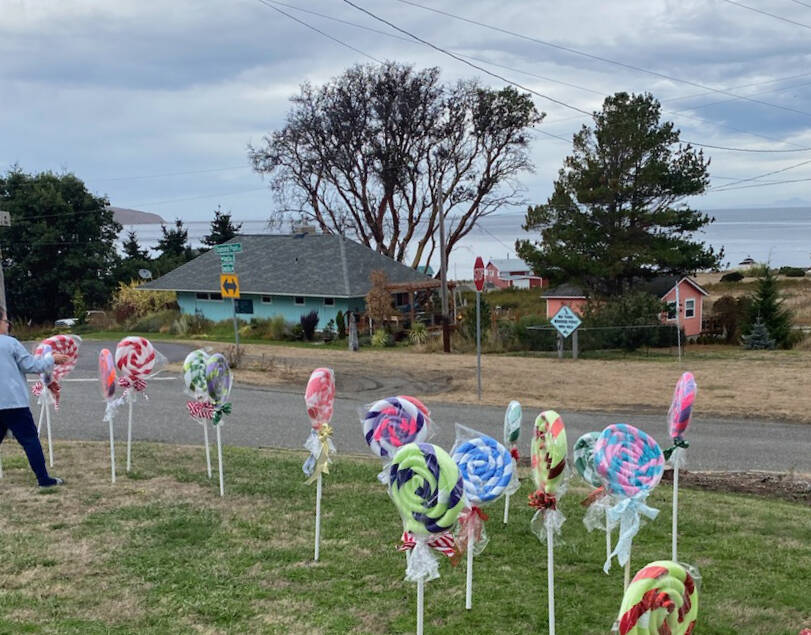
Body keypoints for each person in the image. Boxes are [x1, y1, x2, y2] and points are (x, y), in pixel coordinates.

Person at [0, 306, 69, 487]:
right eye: (7, 321)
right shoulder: (10, 343)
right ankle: (43, 479)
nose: (8, 325)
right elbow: (32, 366)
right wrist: (52, 359)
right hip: (13, 402)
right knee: (30, 440)